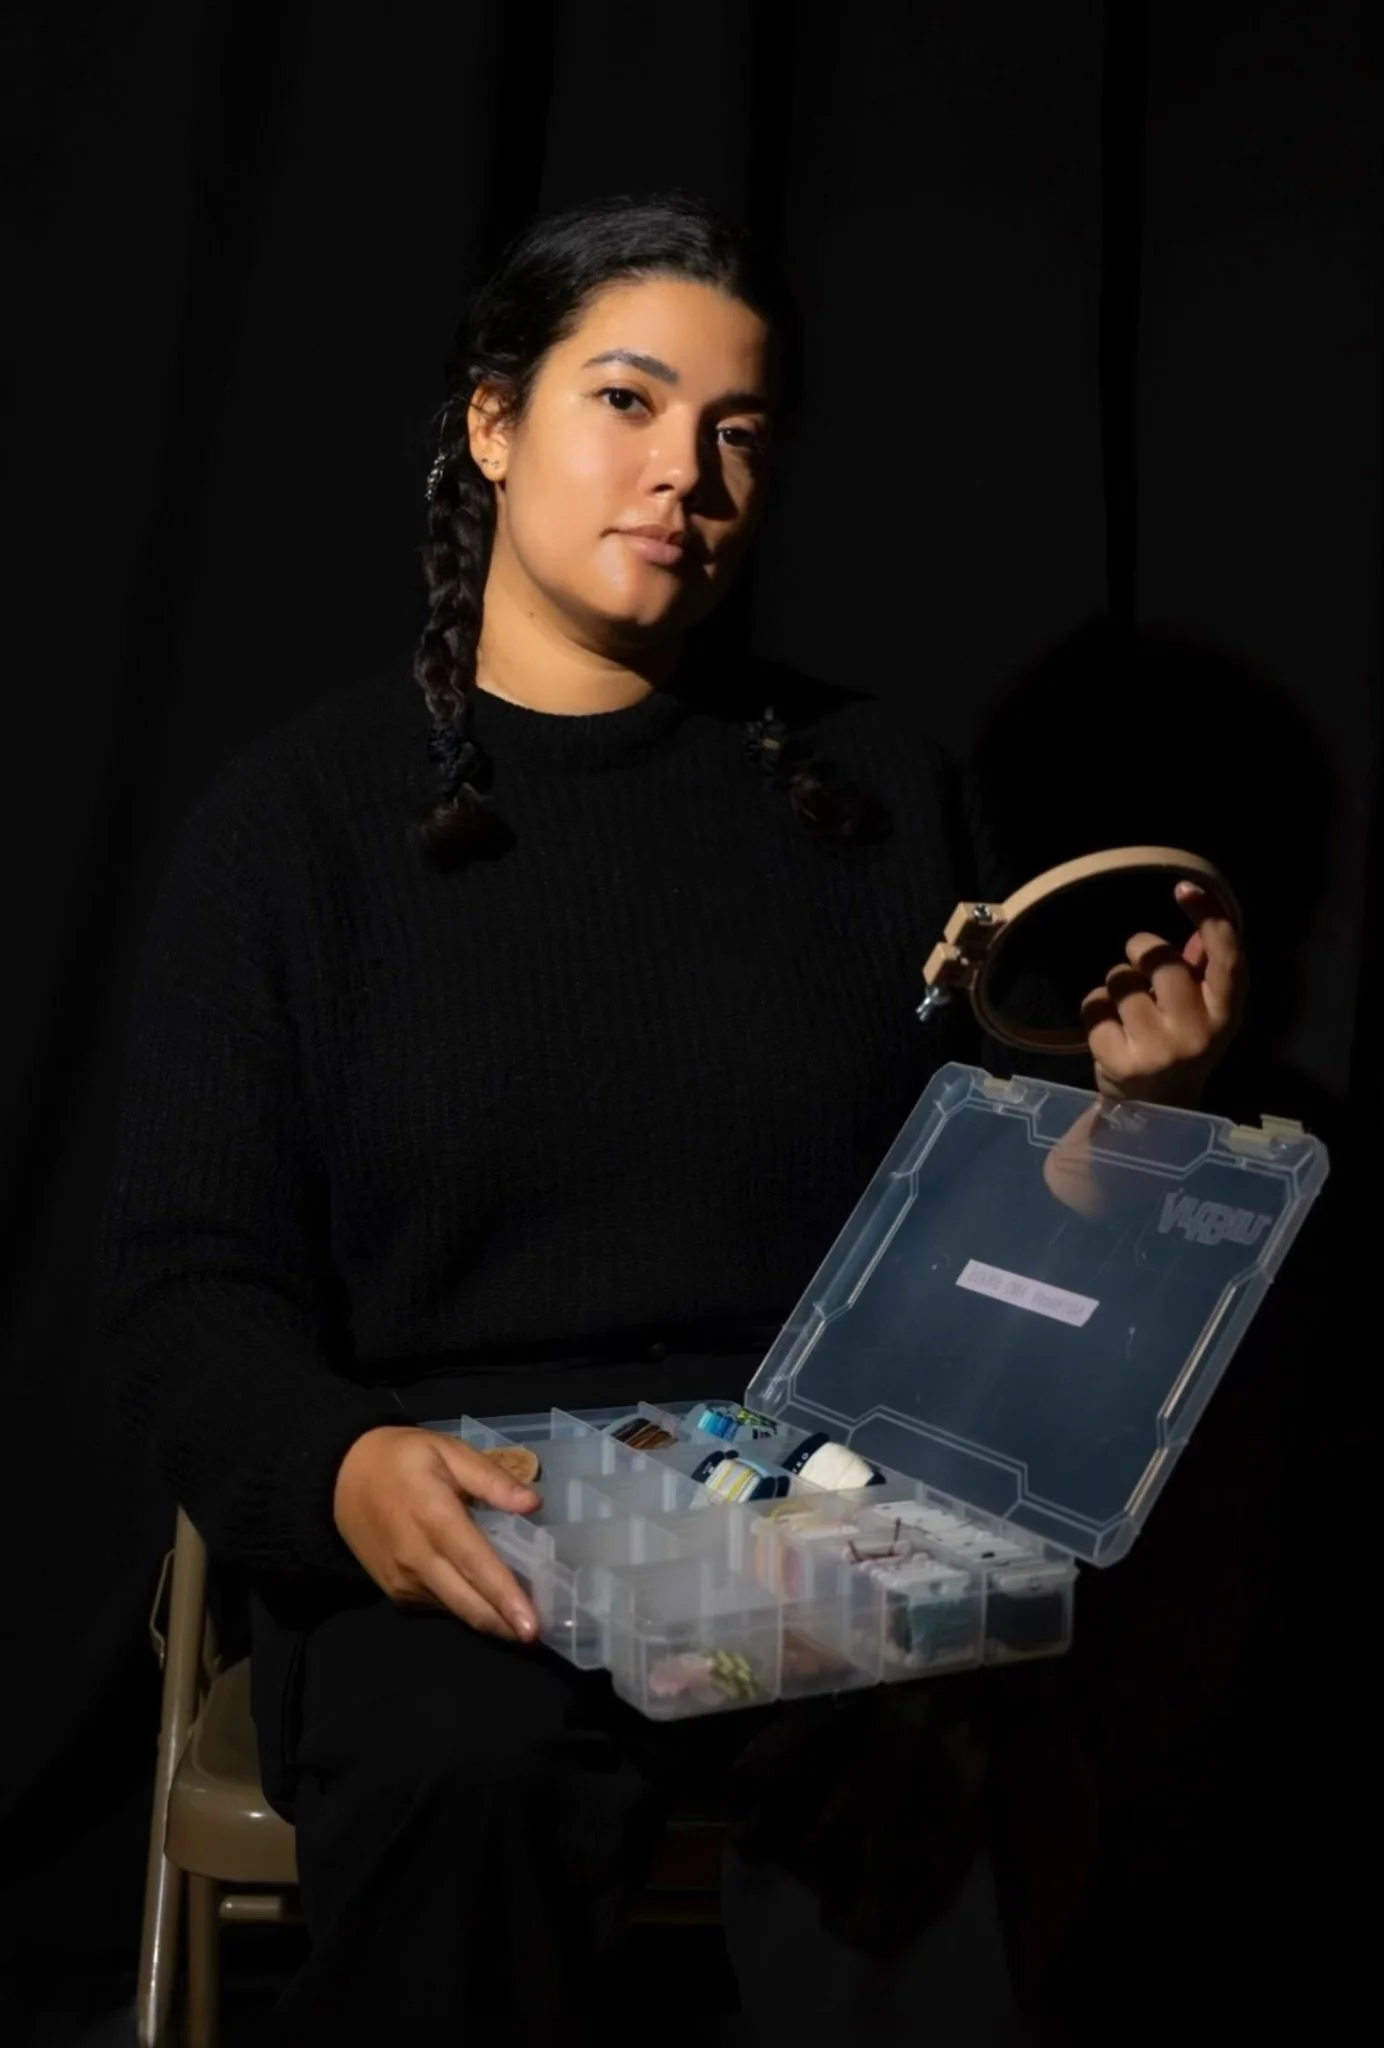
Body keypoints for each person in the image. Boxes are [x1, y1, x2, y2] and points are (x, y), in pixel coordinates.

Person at [93, 189, 1245, 2042]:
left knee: (943, 1768)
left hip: (814, 1520)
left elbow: (978, 1285)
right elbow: (179, 1288)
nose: (682, 475)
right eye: (626, 402)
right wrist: (336, 1471)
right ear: (492, 421)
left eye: (736, 434)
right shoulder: (291, 835)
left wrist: (1132, 1135)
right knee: (463, 1776)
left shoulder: (878, 801)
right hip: (466, 1536)